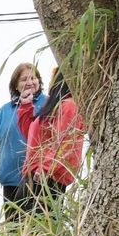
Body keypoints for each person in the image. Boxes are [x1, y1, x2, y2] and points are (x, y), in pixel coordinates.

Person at [17, 69, 85, 213]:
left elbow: (65, 141)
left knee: (36, 230)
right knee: (23, 229)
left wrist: (46, 167)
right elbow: (31, 136)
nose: (48, 83)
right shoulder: (55, 105)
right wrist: (26, 107)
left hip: (48, 178)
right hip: (34, 174)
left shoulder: (69, 106)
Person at [0, 63, 45, 218]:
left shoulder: (49, 104)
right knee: (14, 231)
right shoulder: (3, 112)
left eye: (33, 77)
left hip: (41, 180)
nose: (30, 82)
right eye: (24, 79)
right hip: (11, 181)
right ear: (16, 86)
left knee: (41, 231)